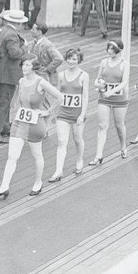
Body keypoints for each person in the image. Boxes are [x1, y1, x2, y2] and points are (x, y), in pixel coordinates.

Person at [0, 57, 64, 199]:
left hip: (35, 123)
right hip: (20, 121)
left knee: (37, 155)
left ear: (34, 67)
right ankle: (4, 186)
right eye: (23, 64)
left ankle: (38, 182)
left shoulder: (41, 82)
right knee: (12, 156)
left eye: (27, 65)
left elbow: (60, 97)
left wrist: (48, 112)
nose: (23, 67)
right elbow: (17, 99)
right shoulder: (21, 81)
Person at [49, 48, 90, 182]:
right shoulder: (61, 75)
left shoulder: (84, 76)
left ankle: (79, 160)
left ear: (78, 60)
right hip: (63, 113)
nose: (71, 61)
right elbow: (59, 95)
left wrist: (82, 114)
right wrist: (54, 113)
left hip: (77, 114)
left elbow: (85, 97)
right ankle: (58, 170)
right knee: (61, 141)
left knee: (78, 139)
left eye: (74, 59)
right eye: (69, 58)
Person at [90, 39, 131, 166]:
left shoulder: (125, 64)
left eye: (112, 49)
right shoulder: (104, 62)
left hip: (118, 98)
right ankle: (99, 155)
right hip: (104, 97)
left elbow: (124, 82)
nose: (109, 51)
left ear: (119, 50)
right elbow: (97, 79)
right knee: (102, 126)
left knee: (119, 125)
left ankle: (123, 146)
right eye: (108, 48)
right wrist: (98, 85)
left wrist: (112, 91)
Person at [0, 9, 27, 142]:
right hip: (8, 73)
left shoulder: (3, 31)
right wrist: (25, 48)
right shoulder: (12, 35)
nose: (22, 26)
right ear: (17, 24)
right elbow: (14, 53)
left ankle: (4, 127)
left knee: (4, 102)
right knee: (4, 103)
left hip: (2, 71)